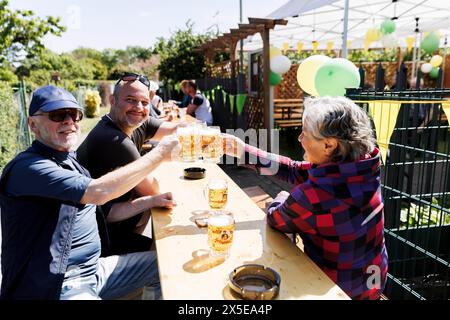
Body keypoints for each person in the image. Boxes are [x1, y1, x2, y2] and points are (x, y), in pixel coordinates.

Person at [0, 85, 180, 300]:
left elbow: (106, 211)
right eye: (57, 115)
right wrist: (159, 154)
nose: (69, 121)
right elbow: (99, 192)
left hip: (95, 270)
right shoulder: (29, 167)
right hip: (58, 284)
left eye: (75, 115)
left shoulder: (69, 160)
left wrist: (151, 201)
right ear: (33, 125)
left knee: (169, 266)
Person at [224, 96, 388, 300]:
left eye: (305, 133)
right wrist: (243, 150)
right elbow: (294, 170)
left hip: (336, 289)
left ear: (329, 145)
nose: (299, 138)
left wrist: (282, 196)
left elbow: (276, 219)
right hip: (374, 281)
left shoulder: (314, 195)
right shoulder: (363, 165)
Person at [77, 73, 182, 256]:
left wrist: (206, 133)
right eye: (130, 100)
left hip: (116, 219)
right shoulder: (113, 139)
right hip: (98, 239)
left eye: (144, 102)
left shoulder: (134, 120)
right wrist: (159, 159)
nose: (139, 107)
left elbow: (174, 130)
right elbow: (152, 190)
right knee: (168, 250)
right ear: (112, 100)